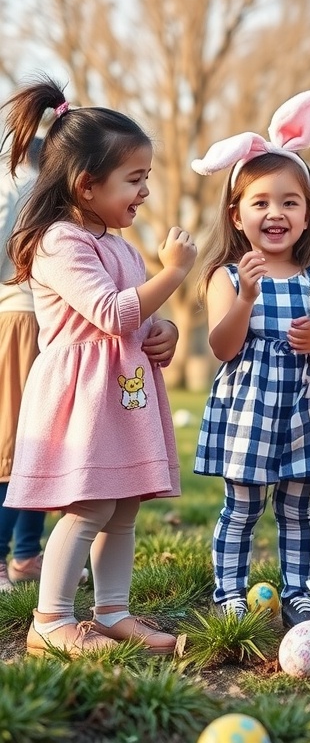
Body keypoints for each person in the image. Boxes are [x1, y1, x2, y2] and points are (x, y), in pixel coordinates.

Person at [1, 77, 197, 656]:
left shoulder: (119, 244)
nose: (143, 192)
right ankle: (51, 621)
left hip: (123, 388)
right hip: (82, 393)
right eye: (134, 180)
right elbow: (112, 312)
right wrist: (176, 273)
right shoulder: (58, 241)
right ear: (86, 185)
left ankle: (112, 612)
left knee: (123, 506)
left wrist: (165, 331)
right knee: (88, 505)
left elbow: (136, 316)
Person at [191, 88, 310, 628]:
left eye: (289, 202)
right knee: (243, 506)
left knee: (298, 509)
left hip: (303, 408)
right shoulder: (229, 276)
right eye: (260, 203)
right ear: (237, 216)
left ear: (307, 216)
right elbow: (222, 347)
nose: (275, 213)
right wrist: (245, 301)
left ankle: (300, 592)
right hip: (250, 410)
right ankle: (229, 592)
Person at [0, 137, 46, 591]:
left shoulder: (26, 186)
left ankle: (28, 553)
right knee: (16, 443)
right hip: (21, 316)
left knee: (41, 443)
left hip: (39, 317)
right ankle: (3, 556)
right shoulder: (27, 190)